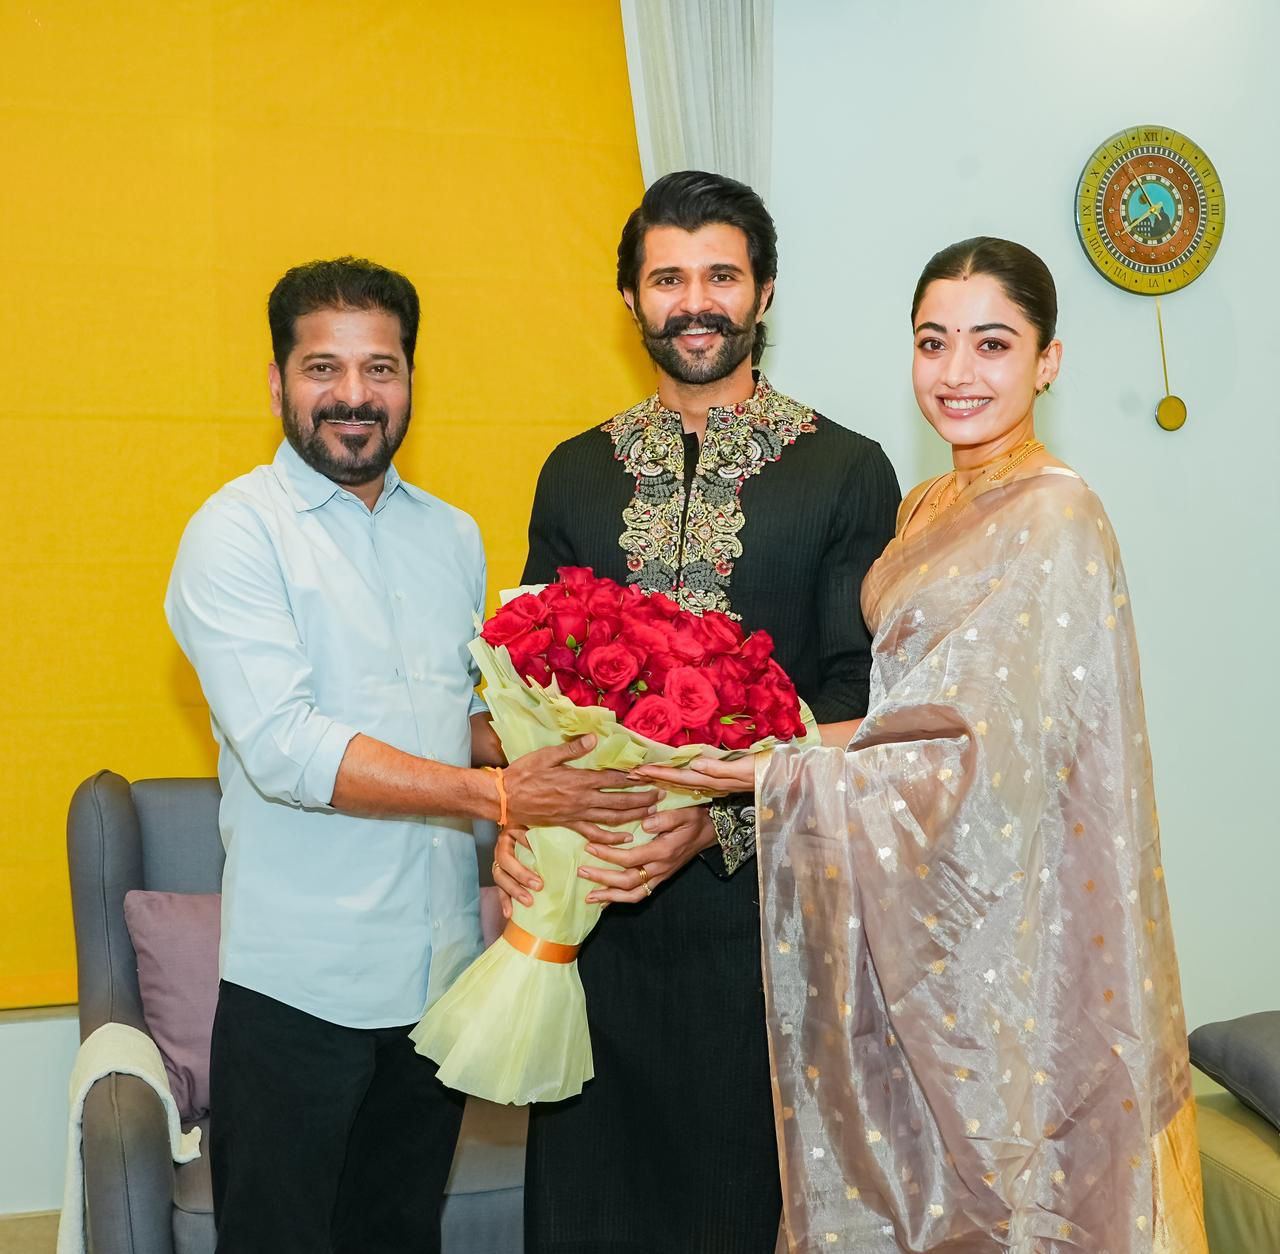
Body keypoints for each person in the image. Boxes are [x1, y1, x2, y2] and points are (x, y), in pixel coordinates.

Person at [640, 238, 1207, 1251]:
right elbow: (905, 714)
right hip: (916, 901)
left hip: (1000, 912)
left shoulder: (1055, 513)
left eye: (992, 344)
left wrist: (765, 771)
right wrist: (749, 744)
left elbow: (979, 756)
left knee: (996, 1183)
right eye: (932, 342)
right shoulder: (927, 504)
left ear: (1047, 361)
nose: (956, 373)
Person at [165, 256, 658, 1254]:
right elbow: (286, 749)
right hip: (299, 986)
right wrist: (500, 795)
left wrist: (601, 740)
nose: (353, 395)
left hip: (438, 978)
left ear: (409, 382)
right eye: (324, 368)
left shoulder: (453, 538)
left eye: (379, 368)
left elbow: (455, 721)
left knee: (398, 1236)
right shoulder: (235, 535)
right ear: (277, 384)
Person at [494, 172, 900, 1254]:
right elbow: (527, 683)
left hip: (763, 924)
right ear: (630, 299)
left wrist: (714, 817)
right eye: (667, 279)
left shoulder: (846, 471)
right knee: (590, 1210)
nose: (695, 302)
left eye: (720, 275)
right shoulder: (575, 473)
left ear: (764, 292)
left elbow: (859, 697)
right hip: (596, 909)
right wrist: (523, 822)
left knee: (739, 1205)